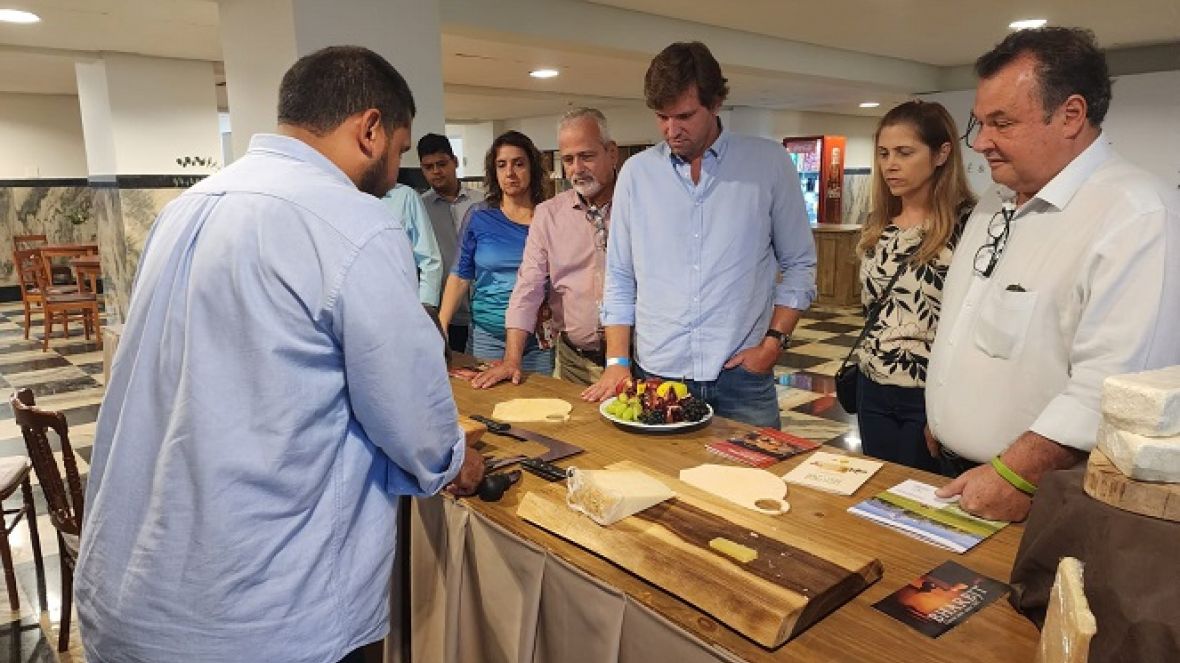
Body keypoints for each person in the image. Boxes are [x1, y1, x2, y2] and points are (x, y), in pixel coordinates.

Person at [74, 46, 484, 663]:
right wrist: (457, 459)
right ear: (369, 129)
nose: (399, 169)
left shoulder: (185, 209)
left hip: (131, 595)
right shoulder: (354, 222)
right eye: (400, 149)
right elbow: (411, 415)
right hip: (264, 613)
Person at [926, 27, 1180, 521]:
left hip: (1036, 492)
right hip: (961, 473)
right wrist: (944, 411)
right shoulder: (995, 203)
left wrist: (1014, 475)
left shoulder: (1137, 215)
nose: (980, 142)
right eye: (978, 123)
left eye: (1002, 123)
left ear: (1071, 115)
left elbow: (1111, 390)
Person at [585, 41, 816, 429]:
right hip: (658, 375)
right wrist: (616, 362)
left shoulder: (767, 164)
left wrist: (774, 343)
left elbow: (800, 264)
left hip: (743, 376)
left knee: (751, 487)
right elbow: (621, 276)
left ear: (717, 101)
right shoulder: (637, 174)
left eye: (685, 116)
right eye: (661, 117)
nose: (671, 130)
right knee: (664, 487)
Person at [853, 100, 976, 472]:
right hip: (872, 382)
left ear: (941, 154)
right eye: (884, 153)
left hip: (927, 392)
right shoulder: (880, 223)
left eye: (905, 153)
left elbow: (969, 326)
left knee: (920, 499)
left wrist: (946, 407)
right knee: (876, 490)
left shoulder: (969, 225)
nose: (890, 164)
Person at [472, 108, 618, 389]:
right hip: (576, 365)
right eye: (568, 159)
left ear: (611, 153)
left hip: (638, 364)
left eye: (586, 156)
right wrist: (511, 359)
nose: (577, 168)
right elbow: (528, 287)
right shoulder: (549, 215)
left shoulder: (639, 204)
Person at [438, 130, 555, 374]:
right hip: (487, 337)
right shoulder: (479, 216)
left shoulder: (550, 217)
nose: (510, 173)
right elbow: (460, 274)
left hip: (538, 341)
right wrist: (442, 324)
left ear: (532, 168)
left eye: (518, 164)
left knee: (538, 407)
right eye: (502, 165)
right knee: (487, 406)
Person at [419, 133, 485, 351]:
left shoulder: (483, 202)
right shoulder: (419, 209)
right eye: (429, 167)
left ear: (455, 161)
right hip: (444, 314)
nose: (436, 171)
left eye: (441, 164)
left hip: (483, 310)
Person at [383, 182, 443, 308]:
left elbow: (430, 260)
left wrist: (427, 306)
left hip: (399, 305)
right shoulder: (345, 196)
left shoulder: (405, 196)